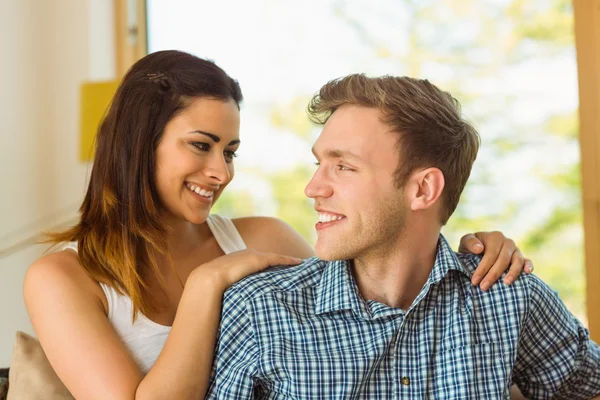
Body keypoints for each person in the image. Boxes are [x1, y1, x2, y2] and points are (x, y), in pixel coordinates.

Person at [24, 50, 531, 399]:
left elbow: (373, 290)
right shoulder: (62, 279)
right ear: (139, 143)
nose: (221, 172)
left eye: (230, 152)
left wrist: (477, 247)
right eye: (201, 146)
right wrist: (208, 282)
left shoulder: (262, 236)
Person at [205, 74, 600, 399]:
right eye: (319, 162)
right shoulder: (259, 310)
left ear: (423, 190)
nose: (313, 188)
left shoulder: (509, 298)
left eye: (343, 166)